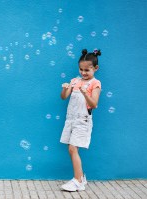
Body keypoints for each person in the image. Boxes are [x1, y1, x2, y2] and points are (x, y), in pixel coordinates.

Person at [60, 49, 102, 192]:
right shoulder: (75, 81)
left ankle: (78, 180)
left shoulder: (95, 83)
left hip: (83, 121)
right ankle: (81, 178)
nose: (83, 73)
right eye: (81, 69)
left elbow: (94, 104)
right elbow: (64, 97)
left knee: (73, 148)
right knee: (71, 149)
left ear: (95, 68)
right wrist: (65, 88)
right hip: (71, 119)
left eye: (87, 70)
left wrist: (85, 93)